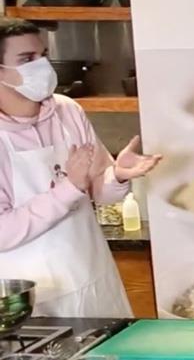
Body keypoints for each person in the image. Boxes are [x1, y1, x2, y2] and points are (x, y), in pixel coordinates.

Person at [0, 18, 161, 317]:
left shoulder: (66, 110)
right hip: (33, 297)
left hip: (93, 274)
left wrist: (118, 176)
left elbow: (99, 191)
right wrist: (68, 189)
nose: (42, 67)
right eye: (27, 59)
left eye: (44, 55)